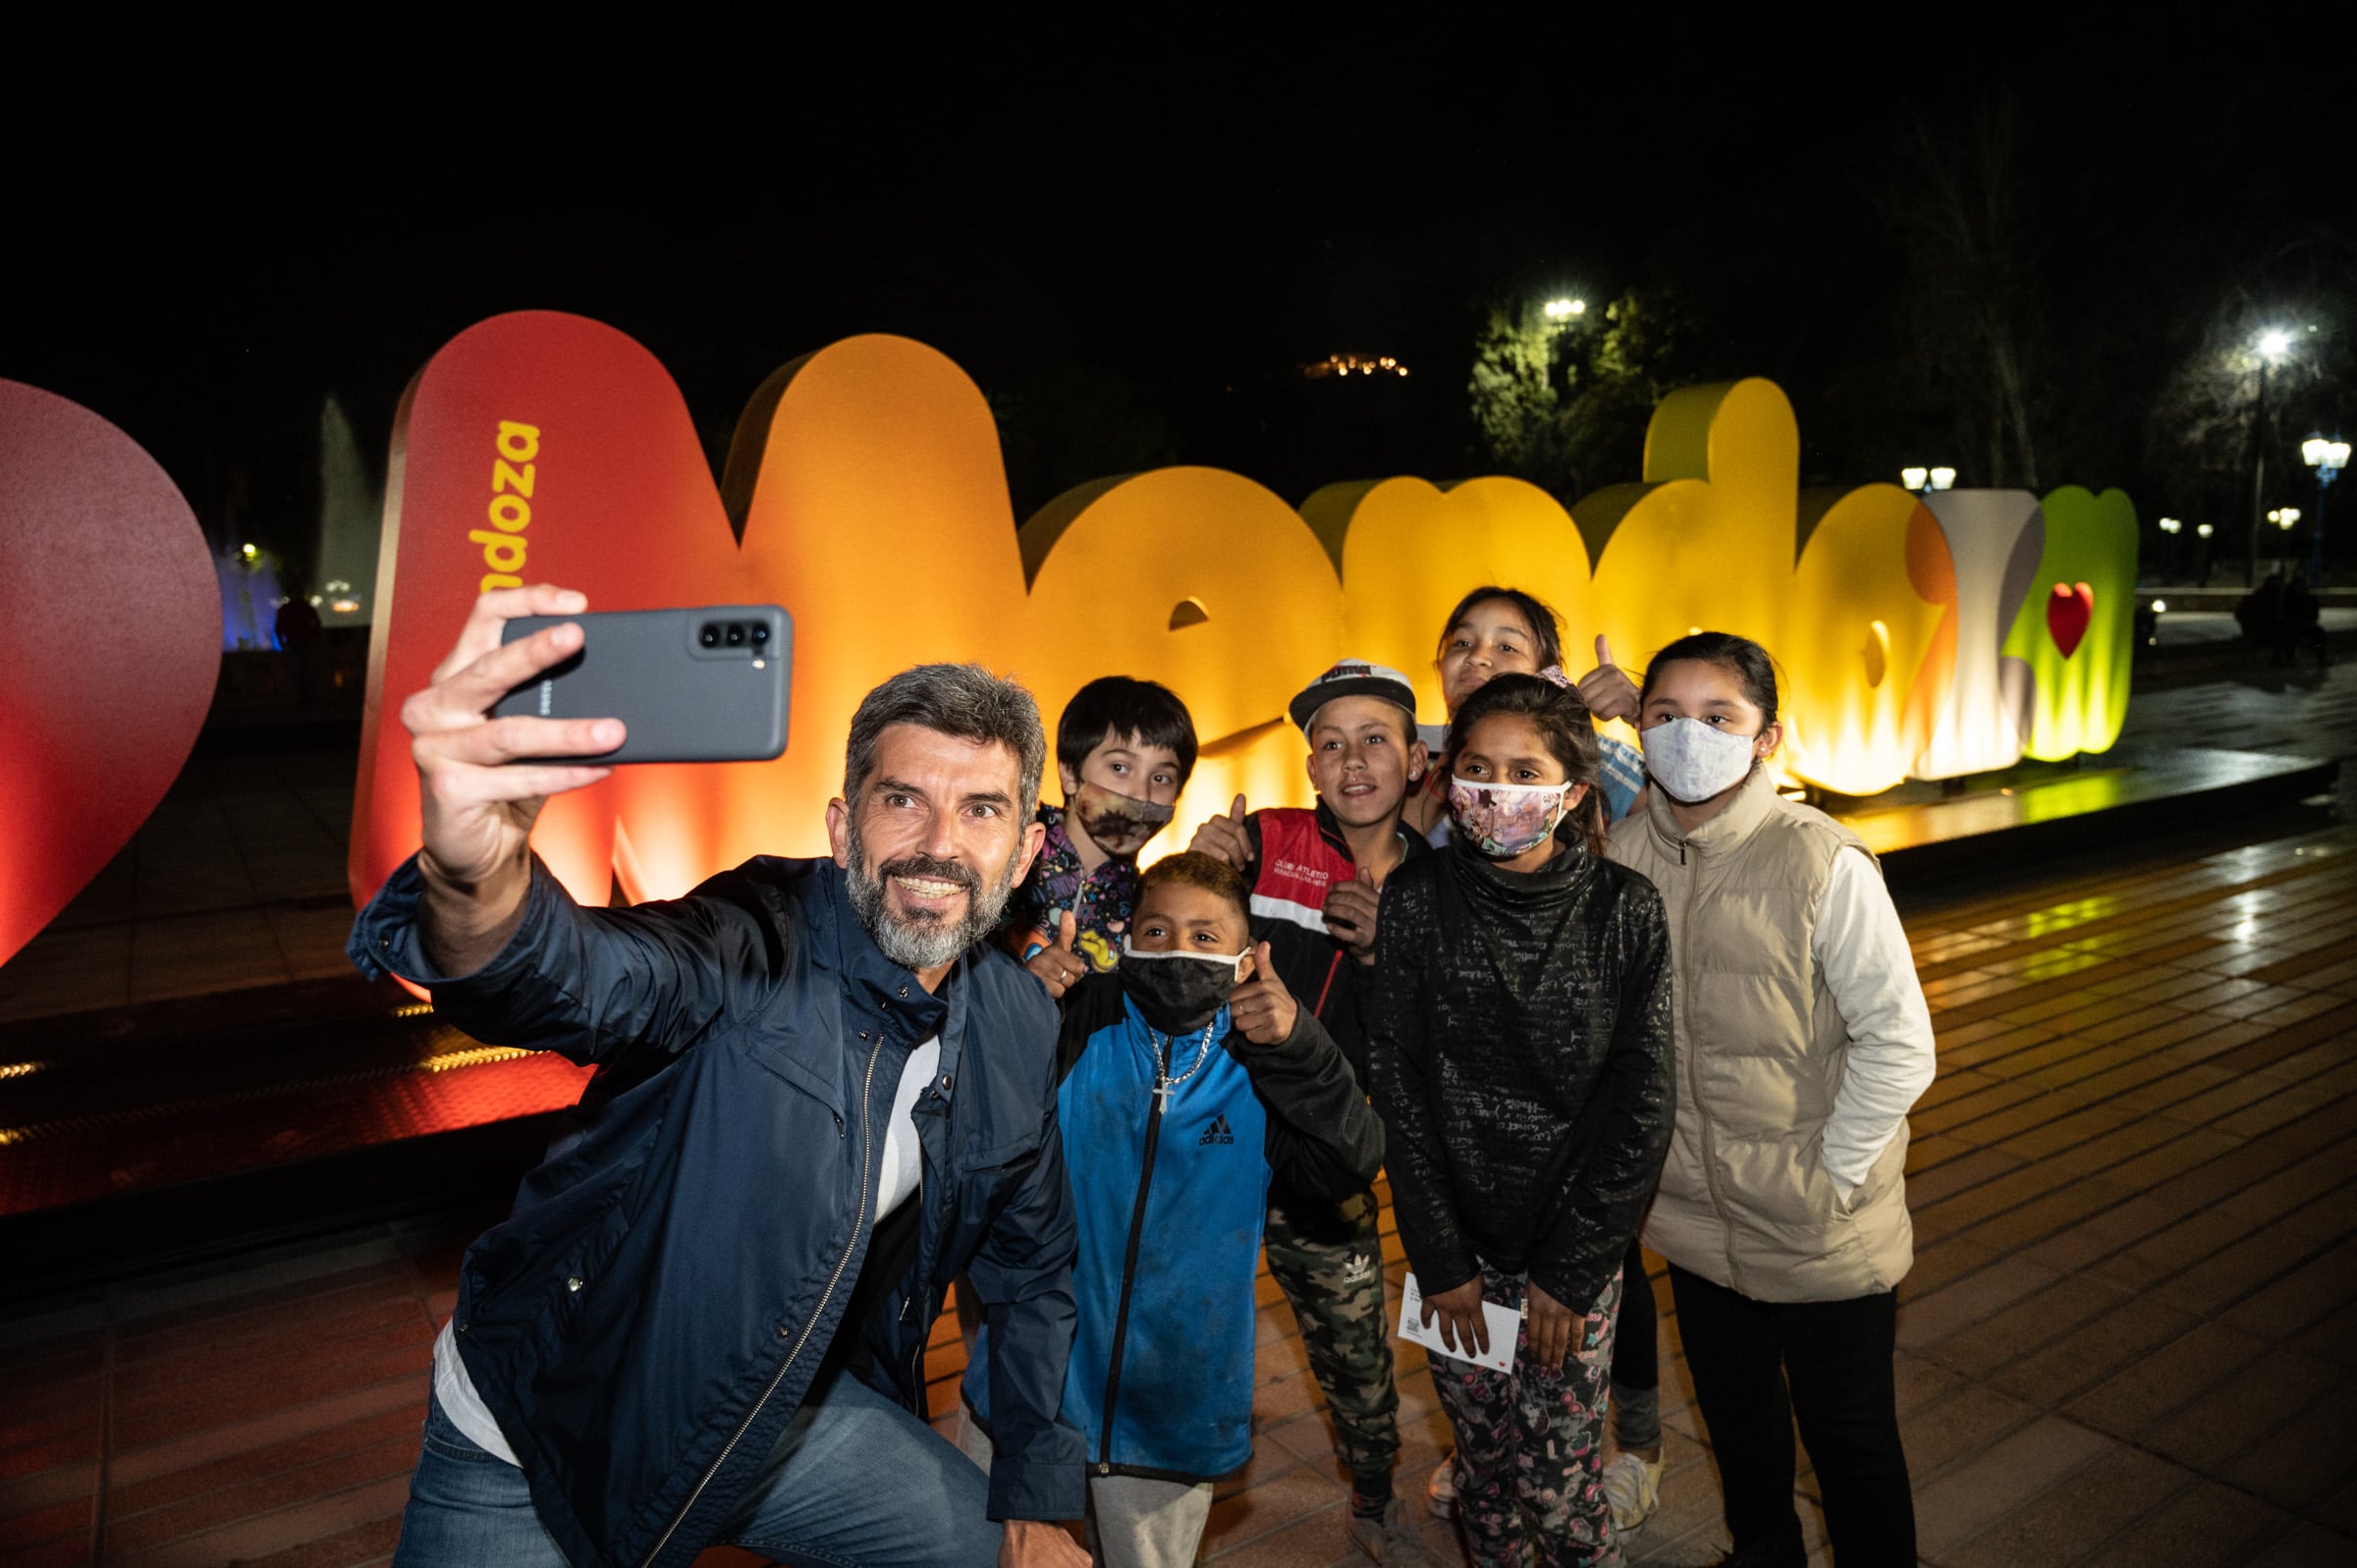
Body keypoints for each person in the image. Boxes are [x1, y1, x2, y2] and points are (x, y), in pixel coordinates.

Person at [352, 584, 1089, 1568]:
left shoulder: (1014, 1019)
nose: (939, 844)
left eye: (982, 808)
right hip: (547, 1436)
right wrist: (473, 876)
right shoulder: (752, 941)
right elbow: (587, 978)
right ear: (841, 828)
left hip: (786, 1413)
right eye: (901, 799)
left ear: (1027, 849)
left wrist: (1039, 1492)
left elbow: (1034, 1271)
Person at [1609, 631, 1936, 1568]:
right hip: (1695, 1218)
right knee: (1740, 1426)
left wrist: (1830, 1173)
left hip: (1817, 1221)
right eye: (1665, 715)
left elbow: (1900, 1041)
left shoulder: (1821, 860)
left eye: (1720, 717)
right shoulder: (1625, 858)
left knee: (1851, 1440)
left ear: (1768, 738)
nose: (1687, 735)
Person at [959, 852, 1383, 1568]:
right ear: (1125, 936)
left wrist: (1303, 1046)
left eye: (1205, 936)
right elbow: (975, 1129)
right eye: (1156, 931)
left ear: (1250, 957)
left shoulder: (1262, 1060)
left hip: (1176, 1399)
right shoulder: (1079, 1018)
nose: (1177, 949)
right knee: (981, 1551)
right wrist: (1017, 1007)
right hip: (1034, 1382)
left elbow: (1350, 1162)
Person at [1368, 672, 1675, 1568]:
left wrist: (1573, 1270)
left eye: (1524, 769)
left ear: (1573, 790)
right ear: (1449, 777)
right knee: (1487, 1475)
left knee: (1560, 1482)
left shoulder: (1626, 911)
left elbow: (1642, 1102)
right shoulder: (1418, 899)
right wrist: (1440, 1259)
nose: (1497, 790)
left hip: (1567, 1261)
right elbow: (1399, 1083)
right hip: (1455, 1256)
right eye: (1477, 766)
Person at [1187, 659, 1438, 1565]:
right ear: (1310, 768)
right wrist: (1197, 866)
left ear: (1415, 760)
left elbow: (1419, 1050)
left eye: (1376, 738)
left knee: (1356, 1347)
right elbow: (1173, 950)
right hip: (1208, 1138)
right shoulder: (1262, 839)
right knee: (1168, 1323)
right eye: (1330, 743)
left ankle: (1374, 1499)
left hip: (1326, 1149)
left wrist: (1384, 956)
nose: (1353, 759)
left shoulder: (1438, 886)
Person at [1400, 586, 1647, 845]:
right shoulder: (1414, 756)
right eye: (1463, 643)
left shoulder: (1587, 756)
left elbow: (1682, 831)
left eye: (1506, 647)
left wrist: (1642, 712)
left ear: (1545, 673)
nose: (1477, 657)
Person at [1003, 676, 1198, 995]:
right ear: (1069, 774)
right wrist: (1017, 988)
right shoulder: (1007, 852)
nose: (1142, 793)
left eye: (1161, 777)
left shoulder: (1149, 905)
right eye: (1120, 767)